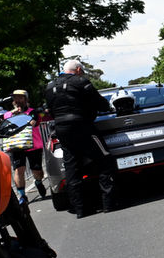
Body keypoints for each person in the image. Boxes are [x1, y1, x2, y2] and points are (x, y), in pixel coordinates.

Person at [43, 59, 116, 217]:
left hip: (62, 129)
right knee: (105, 160)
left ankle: (80, 210)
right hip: (82, 126)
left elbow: (50, 110)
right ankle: (108, 204)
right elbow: (100, 103)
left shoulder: (49, 87)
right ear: (77, 70)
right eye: (81, 71)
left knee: (72, 168)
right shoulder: (81, 82)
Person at [1, 90, 49, 205]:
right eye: (15, 98)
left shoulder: (33, 112)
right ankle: (22, 196)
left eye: (20, 98)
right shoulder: (8, 115)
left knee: (37, 171)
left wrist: (20, 116)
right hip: (16, 146)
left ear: (26, 99)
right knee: (18, 170)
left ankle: (38, 182)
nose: (17, 100)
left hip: (33, 146)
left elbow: (33, 122)